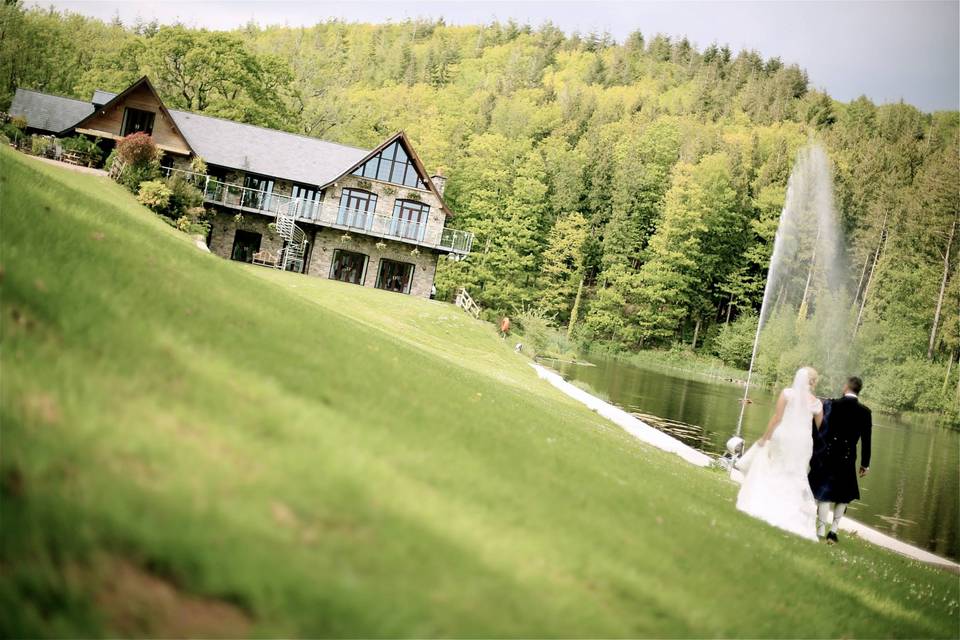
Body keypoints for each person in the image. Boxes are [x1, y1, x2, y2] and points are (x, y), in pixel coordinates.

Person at [736, 367, 824, 541]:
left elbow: (777, 418)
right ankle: (791, 510)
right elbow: (820, 427)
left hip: (783, 436)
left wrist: (765, 437)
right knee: (795, 473)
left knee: (777, 467)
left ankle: (768, 502)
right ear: (813, 382)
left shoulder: (787, 394)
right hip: (802, 441)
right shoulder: (816, 403)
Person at [808, 376, 872, 544]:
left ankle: (821, 529)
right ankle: (833, 531)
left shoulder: (831, 404)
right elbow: (867, 441)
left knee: (824, 494)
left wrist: (814, 451)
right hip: (848, 457)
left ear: (846, 387)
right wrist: (865, 464)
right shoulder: (865, 412)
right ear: (859, 390)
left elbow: (819, 429)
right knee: (843, 495)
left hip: (828, 455)